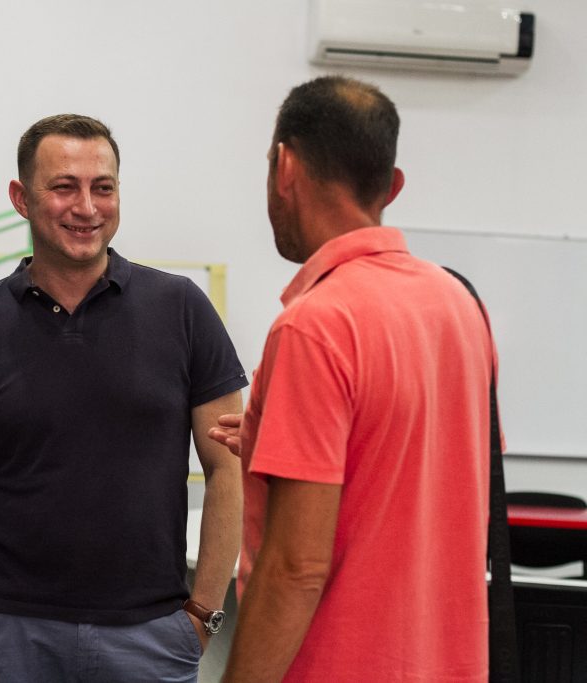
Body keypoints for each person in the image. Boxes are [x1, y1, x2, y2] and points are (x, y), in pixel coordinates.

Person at [0, 113, 248, 682]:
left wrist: (203, 614)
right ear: (21, 198)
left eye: (102, 188)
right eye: (64, 187)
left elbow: (228, 467)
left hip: (150, 637)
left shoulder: (183, 310)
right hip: (10, 638)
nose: (86, 207)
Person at [213, 75, 498, 682]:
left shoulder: (316, 325)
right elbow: (426, 471)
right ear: (392, 186)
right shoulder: (461, 307)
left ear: (285, 166)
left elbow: (296, 569)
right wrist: (275, 439)